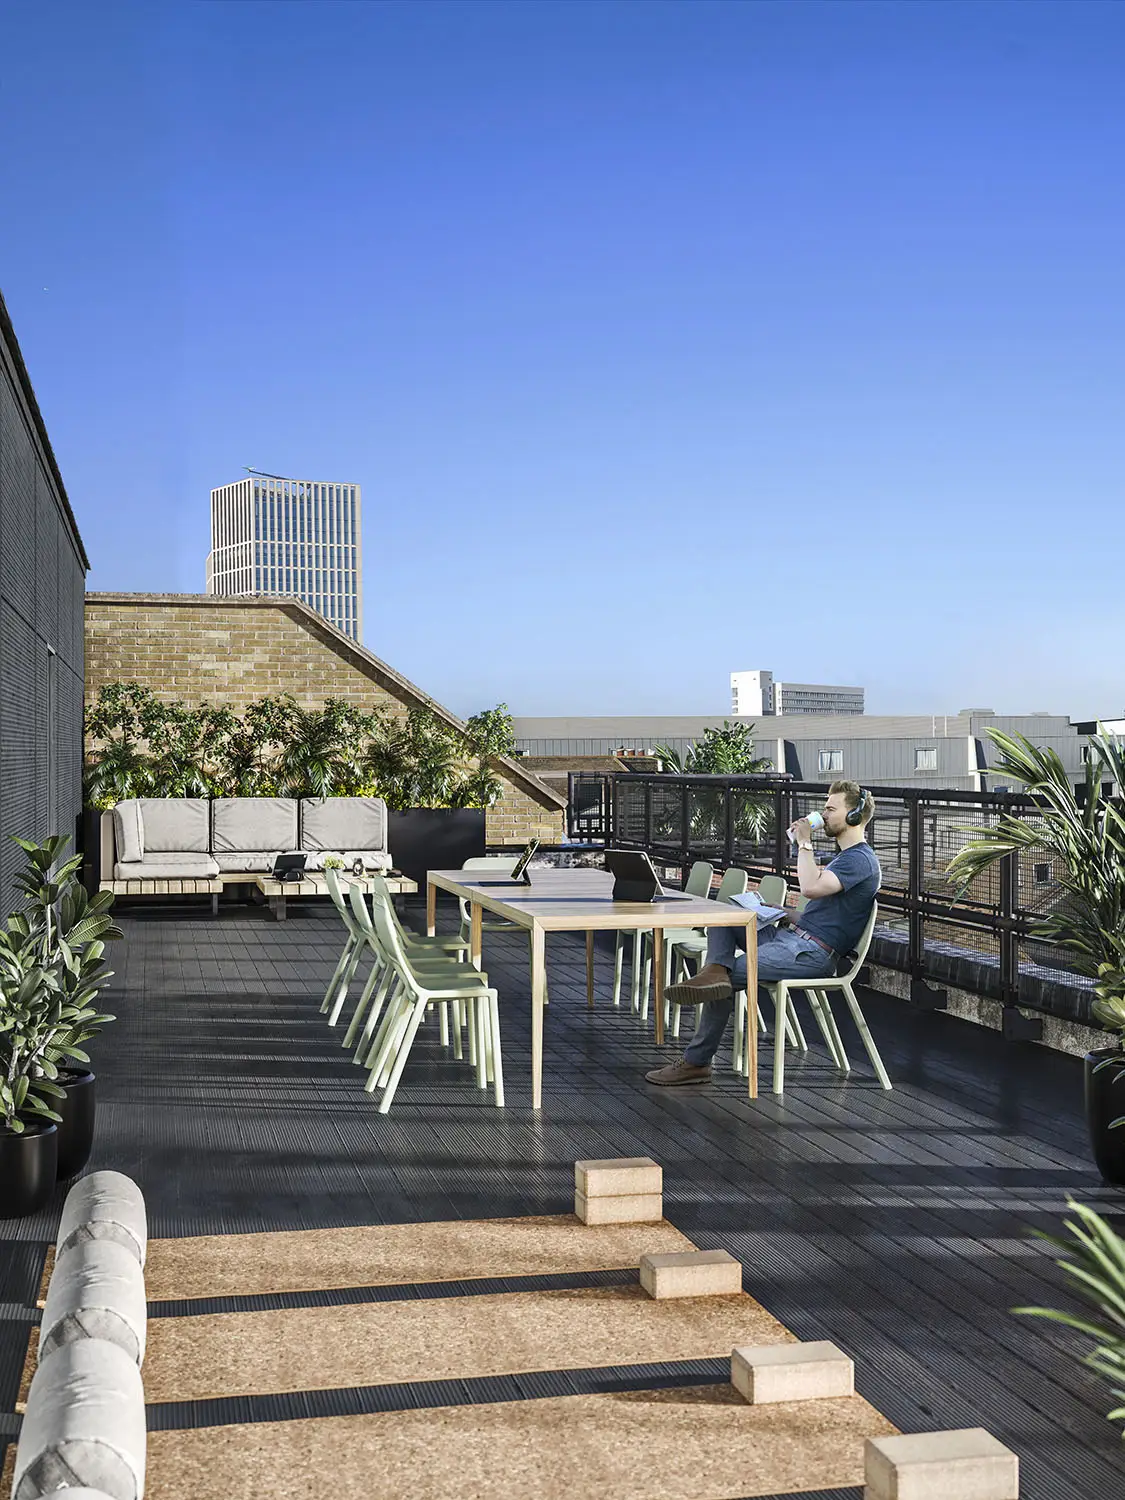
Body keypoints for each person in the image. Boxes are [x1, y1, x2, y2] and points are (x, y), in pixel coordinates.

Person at [645, 779, 881, 1086]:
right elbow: (822, 912)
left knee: (731, 973)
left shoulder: (859, 859)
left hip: (812, 954)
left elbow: (810, 887)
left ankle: (696, 1062)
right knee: (729, 913)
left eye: (830, 808)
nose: (823, 814)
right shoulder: (845, 858)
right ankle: (713, 971)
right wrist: (783, 911)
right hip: (796, 937)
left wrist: (804, 843)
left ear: (854, 816)